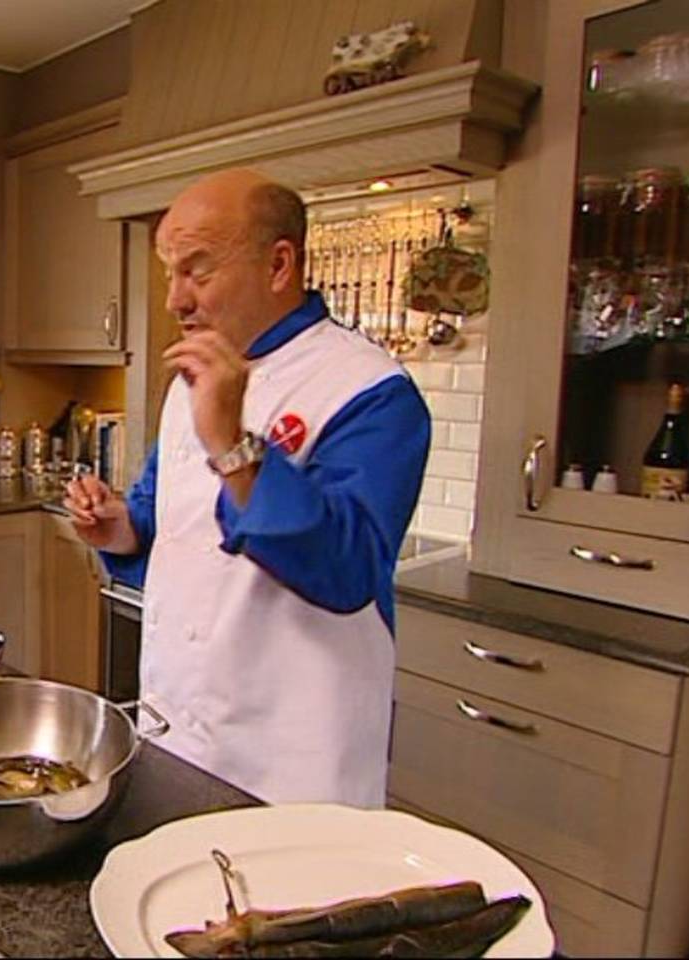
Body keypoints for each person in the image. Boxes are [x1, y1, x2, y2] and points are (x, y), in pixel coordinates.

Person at [64, 168, 430, 807]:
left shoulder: (371, 391)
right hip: (176, 730)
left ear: (279, 264)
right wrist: (118, 528)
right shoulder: (193, 380)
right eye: (170, 273)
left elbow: (346, 568)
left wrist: (231, 444)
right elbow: (166, 528)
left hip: (294, 759)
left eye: (197, 271)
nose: (175, 300)